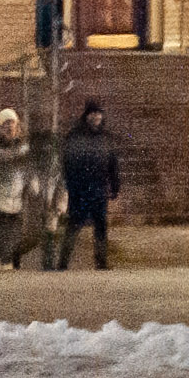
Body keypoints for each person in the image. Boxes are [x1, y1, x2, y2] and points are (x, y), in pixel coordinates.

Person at [58, 101, 122, 271]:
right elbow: (66, 162)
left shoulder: (106, 138)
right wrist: (70, 184)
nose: (96, 116)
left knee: (100, 227)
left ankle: (101, 263)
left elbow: (113, 164)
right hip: (79, 190)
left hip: (99, 190)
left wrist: (115, 186)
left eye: (98, 113)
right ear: (86, 115)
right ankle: (62, 262)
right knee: (74, 225)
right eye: (92, 113)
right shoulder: (75, 136)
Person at [0, 101, 37, 269]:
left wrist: (33, 185)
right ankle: (4, 262)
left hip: (15, 197)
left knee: (14, 233)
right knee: (3, 231)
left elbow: (28, 170)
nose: (9, 127)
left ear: (17, 126)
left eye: (12, 123)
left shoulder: (23, 148)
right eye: (6, 124)